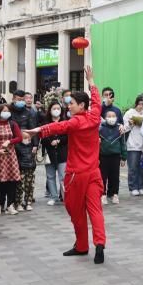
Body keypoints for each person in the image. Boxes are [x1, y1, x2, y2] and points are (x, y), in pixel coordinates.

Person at [24, 65, 106, 263]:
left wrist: (36, 131)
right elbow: (96, 100)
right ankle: (100, 244)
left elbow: (57, 126)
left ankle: (82, 246)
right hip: (94, 173)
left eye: (72, 103)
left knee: (76, 211)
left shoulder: (77, 122)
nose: (68, 106)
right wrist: (91, 81)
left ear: (81, 107)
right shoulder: (94, 116)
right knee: (95, 210)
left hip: (77, 175)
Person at [0, 103, 23, 215]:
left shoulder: (13, 124)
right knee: (0, 182)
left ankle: (10, 205)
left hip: (11, 155)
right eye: (4, 110)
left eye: (8, 110)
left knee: (12, 181)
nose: (6, 112)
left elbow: (19, 137)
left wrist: (9, 141)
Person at [42, 103, 68, 206]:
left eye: (58, 108)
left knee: (63, 176)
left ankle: (65, 196)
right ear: (50, 110)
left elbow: (67, 137)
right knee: (50, 176)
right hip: (49, 154)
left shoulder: (65, 122)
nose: (56, 110)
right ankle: (54, 197)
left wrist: (58, 141)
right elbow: (42, 137)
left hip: (62, 153)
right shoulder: (45, 123)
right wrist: (50, 142)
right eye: (54, 108)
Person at [123, 96, 143, 196]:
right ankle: (133, 187)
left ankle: (141, 186)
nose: (140, 106)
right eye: (139, 104)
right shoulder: (130, 113)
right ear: (136, 104)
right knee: (133, 167)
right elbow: (124, 128)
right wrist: (131, 123)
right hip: (132, 145)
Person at [98, 108, 124, 204]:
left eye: (113, 116)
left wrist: (123, 157)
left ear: (117, 118)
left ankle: (114, 194)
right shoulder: (100, 128)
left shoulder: (119, 128)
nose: (111, 118)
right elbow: (97, 144)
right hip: (103, 156)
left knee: (115, 176)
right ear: (105, 118)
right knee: (102, 176)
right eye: (109, 116)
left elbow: (123, 143)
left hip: (115, 156)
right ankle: (103, 194)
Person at [15, 114, 40, 212]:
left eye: (29, 139)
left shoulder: (31, 148)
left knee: (30, 186)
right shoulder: (18, 147)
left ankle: (28, 202)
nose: (27, 141)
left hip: (30, 169)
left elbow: (33, 158)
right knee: (20, 187)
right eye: (25, 138)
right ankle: (19, 203)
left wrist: (34, 165)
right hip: (21, 169)